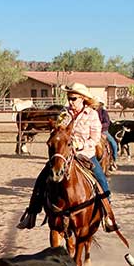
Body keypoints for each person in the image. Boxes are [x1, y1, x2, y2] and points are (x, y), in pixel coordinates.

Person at [17, 83, 120, 232]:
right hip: (65, 154)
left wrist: (81, 144)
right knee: (42, 178)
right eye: (69, 98)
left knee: (101, 179)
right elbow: (59, 130)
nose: (70, 101)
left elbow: (95, 138)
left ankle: (107, 215)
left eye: (73, 98)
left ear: (82, 99)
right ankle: (32, 213)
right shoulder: (65, 113)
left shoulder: (92, 114)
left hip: (85, 154)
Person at [97, 98, 119, 172]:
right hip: (93, 132)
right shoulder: (92, 112)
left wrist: (100, 126)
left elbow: (107, 122)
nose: (98, 105)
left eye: (99, 104)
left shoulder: (104, 112)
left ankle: (114, 161)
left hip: (103, 131)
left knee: (114, 144)